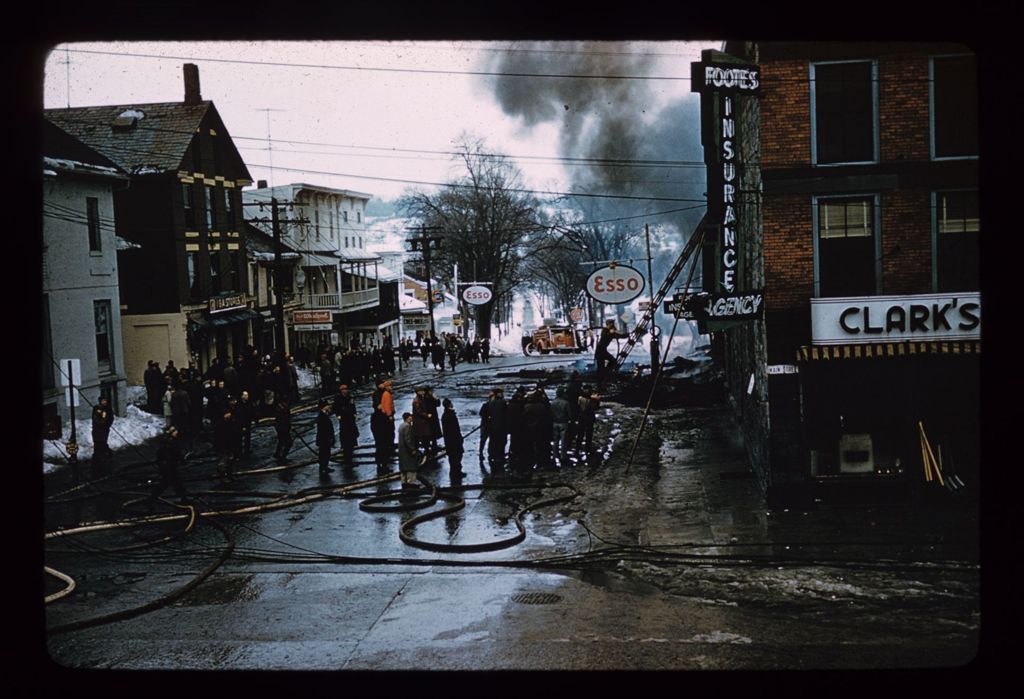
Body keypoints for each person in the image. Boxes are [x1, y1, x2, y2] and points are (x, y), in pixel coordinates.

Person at [149, 425, 189, 502]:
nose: (176, 432)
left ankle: (184, 498)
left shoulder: (169, 442)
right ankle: (151, 499)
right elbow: (174, 454)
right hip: (168, 467)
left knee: (175, 483)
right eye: (174, 431)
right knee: (166, 483)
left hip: (169, 466)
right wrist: (181, 460)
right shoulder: (169, 443)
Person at [333, 384, 359, 468]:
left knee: (352, 431)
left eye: (346, 389)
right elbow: (336, 407)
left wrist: (354, 413)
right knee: (344, 432)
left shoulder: (350, 397)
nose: (345, 391)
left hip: (350, 417)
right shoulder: (338, 398)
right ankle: (344, 446)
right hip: (343, 417)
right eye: (343, 390)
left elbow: (353, 405)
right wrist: (338, 415)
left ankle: (352, 444)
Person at [215, 408, 241, 482]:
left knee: (230, 462)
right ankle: (222, 477)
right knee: (223, 463)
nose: (229, 415)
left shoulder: (231, 422)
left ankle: (229, 475)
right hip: (223, 446)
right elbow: (217, 437)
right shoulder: (220, 424)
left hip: (230, 445)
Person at [441, 398, 465, 478]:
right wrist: (459, 438)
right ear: (449, 405)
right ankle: (456, 473)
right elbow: (455, 429)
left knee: (452, 457)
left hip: (449, 440)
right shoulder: (451, 415)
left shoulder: (444, 415)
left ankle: (454, 472)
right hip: (454, 440)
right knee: (457, 456)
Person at [397, 412, 421, 490]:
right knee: (411, 467)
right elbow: (408, 440)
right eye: (410, 417)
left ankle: (404, 482)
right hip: (407, 451)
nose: (411, 418)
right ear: (408, 418)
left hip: (402, 450)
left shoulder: (401, 426)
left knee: (403, 468)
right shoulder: (407, 426)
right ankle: (411, 483)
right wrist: (412, 449)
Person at [550, 387, 571, 466]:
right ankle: (563, 456)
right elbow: (569, 414)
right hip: (563, 423)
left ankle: (555, 455)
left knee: (555, 441)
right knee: (563, 441)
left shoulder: (553, 402)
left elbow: (550, 413)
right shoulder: (566, 403)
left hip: (555, 422)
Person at [487, 388, 508, 467]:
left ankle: (493, 456)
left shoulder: (491, 403)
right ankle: (500, 457)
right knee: (502, 442)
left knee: (494, 442)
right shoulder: (502, 402)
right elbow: (506, 415)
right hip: (501, 426)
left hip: (493, 426)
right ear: (498, 394)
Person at [91, 395, 115, 464]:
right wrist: (100, 413)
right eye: (103, 401)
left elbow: (111, 418)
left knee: (103, 442)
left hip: (104, 429)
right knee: (96, 442)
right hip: (96, 428)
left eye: (105, 400)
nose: (104, 402)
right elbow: (94, 417)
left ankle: (105, 454)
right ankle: (96, 456)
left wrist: (107, 425)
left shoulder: (108, 409)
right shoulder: (96, 408)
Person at [315, 399, 335, 476]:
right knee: (324, 453)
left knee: (327, 453)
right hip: (324, 439)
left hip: (325, 438)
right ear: (323, 407)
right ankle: (323, 468)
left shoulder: (325, 414)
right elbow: (323, 429)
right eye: (327, 405)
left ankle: (325, 466)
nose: (329, 406)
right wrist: (329, 437)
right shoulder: (322, 416)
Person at [235, 390, 255, 457]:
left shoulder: (248, 403)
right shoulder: (239, 405)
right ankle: (239, 452)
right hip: (241, 424)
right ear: (242, 396)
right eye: (245, 395)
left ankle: (247, 449)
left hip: (248, 423)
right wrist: (243, 425)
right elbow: (240, 416)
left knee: (247, 437)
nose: (247, 396)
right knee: (239, 438)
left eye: (247, 395)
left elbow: (251, 412)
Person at [273, 399, 294, 465]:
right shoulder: (284, 408)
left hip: (280, 427)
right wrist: (289, 426)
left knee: (281, 441)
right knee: (289, 443)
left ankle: (277, 454)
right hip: (283, 428)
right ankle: (283, 457)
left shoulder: (280, 407)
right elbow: (285, 419)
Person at [478, 391, 494, 464]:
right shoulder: (485, 405)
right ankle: (481, 452)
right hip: (485, 425)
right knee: (483, 440)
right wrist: (488, 418)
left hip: (490, 425)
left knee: (491, 440)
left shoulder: (493, 406)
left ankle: (490, 453)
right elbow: (481, 414)